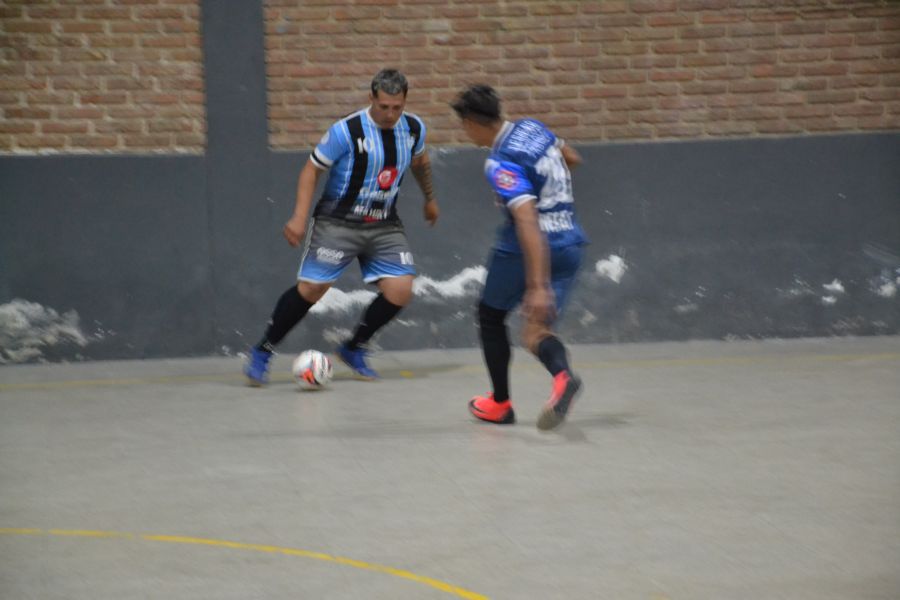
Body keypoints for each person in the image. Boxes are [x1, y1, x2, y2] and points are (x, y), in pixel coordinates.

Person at [244, 68, 439, 385]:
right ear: (371, 98)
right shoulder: (345, 131)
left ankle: (354, 347)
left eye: (397, 107)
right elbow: (311, 170)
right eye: (384, 106)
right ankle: (263, 350)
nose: (390, 114)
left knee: (401, 290)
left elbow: (420, 161)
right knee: (312, 289)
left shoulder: (414, 128)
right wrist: (299, 216)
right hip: (338, 221)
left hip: (384, 224)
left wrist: (430, 198)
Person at [451, 84, 588, 430]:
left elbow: (527, 219)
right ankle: (562, 379)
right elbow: (571, 158)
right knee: (535, 331)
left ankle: (500, 404)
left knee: (490, 315)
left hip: (525, 250)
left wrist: (537, 285)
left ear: (471, 122)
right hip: (570, 241)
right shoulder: (532, 128)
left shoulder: (499, 163)